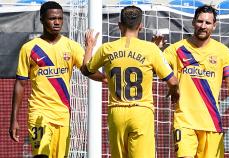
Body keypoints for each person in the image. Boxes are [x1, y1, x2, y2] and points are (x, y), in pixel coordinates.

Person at [80, 5, 180, 158]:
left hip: (117, 113)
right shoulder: (151, 49)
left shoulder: (107, 48)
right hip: (141, 112)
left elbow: (86, 70)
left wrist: (89, 47)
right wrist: (175, 94)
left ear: (119, 25)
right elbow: (173, 81)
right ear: (141, 26)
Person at [9, 1, 105, 158]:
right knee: (40, 155)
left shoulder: (71, 46)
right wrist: (14, 119)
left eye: (60, 18)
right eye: (52, 18)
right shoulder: (29, 48)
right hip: (39, 114)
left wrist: (106, 79)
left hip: (63, 116)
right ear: (42, 20)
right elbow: (20, 83)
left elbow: (87, 71)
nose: (57, 22)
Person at [155, 5, 229, 158]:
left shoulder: (222, 51)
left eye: (208, 23)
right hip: (184, 121)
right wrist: (154, 50)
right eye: (200, 21)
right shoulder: (176, 49)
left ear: (214, 26)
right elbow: (153, 67)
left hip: (211, 122)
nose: (203, 26)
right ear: (193, 22)